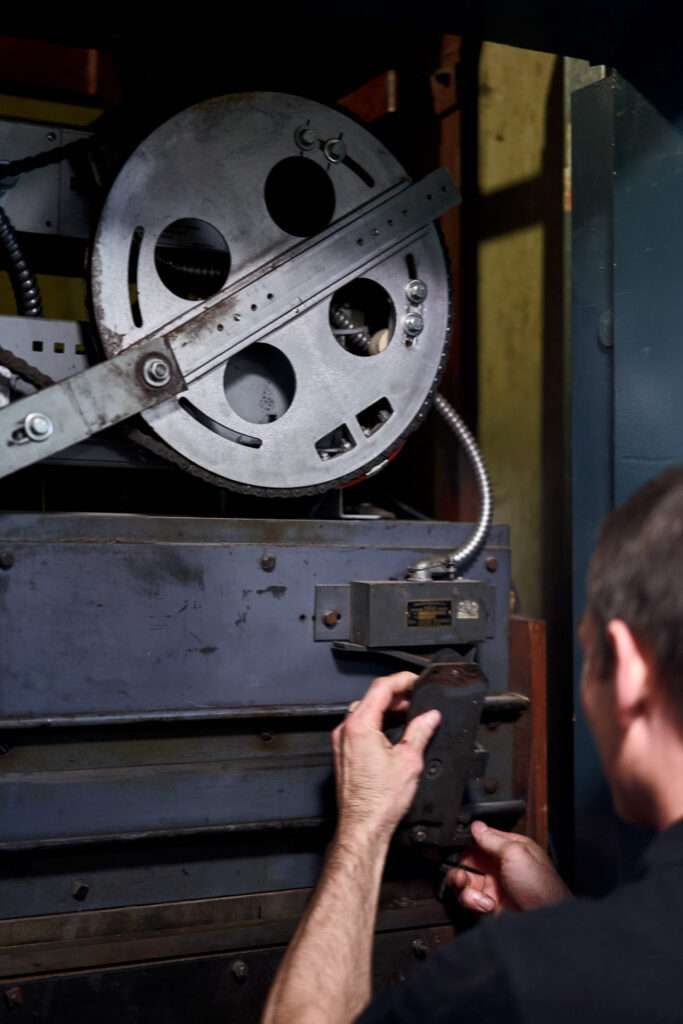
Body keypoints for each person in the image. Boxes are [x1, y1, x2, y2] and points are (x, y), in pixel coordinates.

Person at [262, 467, 683, 1024]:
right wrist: (561, 919)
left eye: (586, 655)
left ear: (627, 671)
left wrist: (364, 824)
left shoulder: (509, 975)